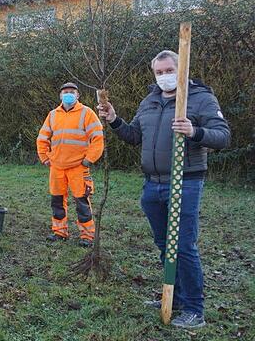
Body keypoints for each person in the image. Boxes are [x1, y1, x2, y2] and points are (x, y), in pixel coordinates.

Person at [98, 50, 230, 329]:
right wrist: (114, 120)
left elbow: (223, 136)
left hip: (185, 182)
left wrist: (195, 131)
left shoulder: (200, 98)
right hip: (152, 185)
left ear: (181, 70)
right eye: (159, 73)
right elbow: (134, 136)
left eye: (169, 70)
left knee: (182, 246)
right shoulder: (150, 101)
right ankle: (175, 295)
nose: (164, 77)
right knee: (164, 246)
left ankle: (194, 309)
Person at [36, 82, 104, 247]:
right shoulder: (53, 114)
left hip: (78, 168)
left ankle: (87, 236)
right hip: (57, 167)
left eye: (71, 92)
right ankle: (60, 232)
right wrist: (44, 157)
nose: (68, 94)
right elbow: (42, 138)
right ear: (60, 95)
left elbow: (98, 137)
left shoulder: (87, 113)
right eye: (65, 92)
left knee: (82, 203)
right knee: (57, 201)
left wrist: (89, 159)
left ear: (78, 95)